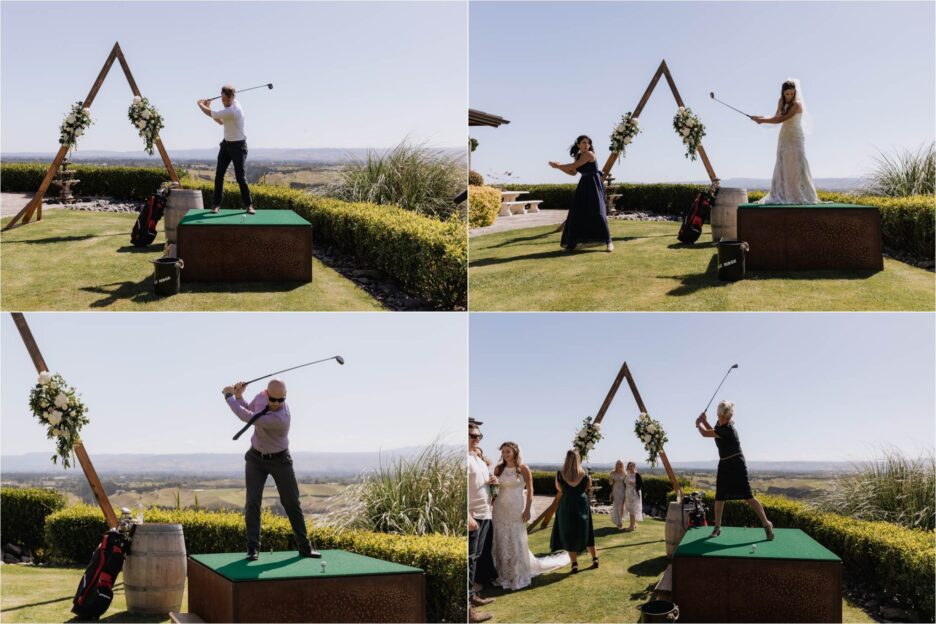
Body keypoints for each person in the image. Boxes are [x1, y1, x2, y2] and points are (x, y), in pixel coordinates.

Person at [222, 378, 318, 560]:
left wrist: (229, 397)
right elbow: (250, 409)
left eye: (280, 400)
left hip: (280, 459)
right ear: (266, 393)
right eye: (272, 399)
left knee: (291, 502)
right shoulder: (260, 397)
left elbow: (247, 417)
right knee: (252, 503)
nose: (275, 403)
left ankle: (305, 547)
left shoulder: (281, 418)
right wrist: (240, 397)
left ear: (285, 397)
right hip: (256, 458)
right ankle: (253, 549)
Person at [491, 442, 569, 590]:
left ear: (515, 452)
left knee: (516, 538)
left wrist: (527, 509)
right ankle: (503, 573)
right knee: (501, 538)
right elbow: (494, 489)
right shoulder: (498, 469)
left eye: (508, 451)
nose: (505, 454)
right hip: (499, 508)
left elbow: (531, 490)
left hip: (516, 507)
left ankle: (517, 573)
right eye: (503, 452)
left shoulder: (523, 468)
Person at [695, 400, 774, 540]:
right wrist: (705, 421)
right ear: (718, 414)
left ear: (729, 417)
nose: (723, 418)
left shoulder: (727, 429)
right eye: (721, 416)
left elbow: (705, 434)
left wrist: (698, 424)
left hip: (737, 465)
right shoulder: (721, 426)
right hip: (725, 464)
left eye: (725, 417)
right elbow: (712, 432)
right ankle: (717, 527)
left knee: (748, 496)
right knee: (719, 497)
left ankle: (767, 524)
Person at [752, 79, 819, 205]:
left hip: (795, 137)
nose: (789, 96)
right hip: (784, 137)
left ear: (795, 93)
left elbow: (781, 119)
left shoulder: (797, 105)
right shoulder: (781, 101)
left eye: (791, 94)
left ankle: (800, 194)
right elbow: (776, 116)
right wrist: (760, 118)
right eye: (787, 94)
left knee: (797, 164)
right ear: (783, 93)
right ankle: (782, 193)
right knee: (782, 163)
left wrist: (762, 121)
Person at [549, 135, 613, 252]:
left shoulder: (590, 154)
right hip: (583, 184)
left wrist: (558, 166)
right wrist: (559, 168)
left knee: (599, 212)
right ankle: (573, 244)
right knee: (577, 213)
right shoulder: (578, 156)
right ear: (578, 144)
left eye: (588, 143)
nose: (586, 145)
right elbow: (573, 172)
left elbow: (573, 166)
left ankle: (608, 242)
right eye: (583, 142)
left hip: (594, 184)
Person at [198, 85, 254, 214]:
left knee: (240, 177)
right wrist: (210, 106)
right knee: (219, 175)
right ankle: (216, 205)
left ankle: (249, 205)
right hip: (226, 144)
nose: (225, 102)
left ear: (233, 97)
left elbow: (212, 115)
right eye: (223, 99)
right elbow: (219, 121)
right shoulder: (232, 104)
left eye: (227, 100)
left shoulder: (233, 111)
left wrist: (201, 104)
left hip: (239, 146)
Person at [549, 449, 597, 574]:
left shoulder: (560, 474)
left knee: (568, 533)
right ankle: (595, 559)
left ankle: (574, 564)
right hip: (581, 505)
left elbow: (559, 488)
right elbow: (588, 488)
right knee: (586, 532)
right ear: (578, 459)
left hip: (566, 506)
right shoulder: (585, 475)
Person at [468, 419, 495, 623]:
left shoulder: (478, 458)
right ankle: (468, 610)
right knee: (468, 559)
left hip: (485, 513)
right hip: (473, 515)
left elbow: (480, 483)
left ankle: (472, 596)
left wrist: (492, 481)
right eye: (473, 436)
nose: (477, 439)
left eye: (479, 436)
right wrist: (466, 515)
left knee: (475, 558)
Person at [623, 461, 643, 532]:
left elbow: (640, 485)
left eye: (633, 466)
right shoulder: (627, 474)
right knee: (630, 509)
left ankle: (631, 527)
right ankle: (634, 524)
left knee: (633, 510)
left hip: (634, 494)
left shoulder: (637, 474)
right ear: (628, 467)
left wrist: (634, 484)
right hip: (628, 493)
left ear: (635, 467)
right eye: (630, 466)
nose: (631, 467)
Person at [609, 460, 627, 530]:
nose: (619, 465)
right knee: (616, 507)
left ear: (622, 465)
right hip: (615, 491)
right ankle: (618, 522)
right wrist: (610, 479)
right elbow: (611, 484)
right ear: (616, 465)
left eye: (620, 464)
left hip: (622, 491)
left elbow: (626, 485)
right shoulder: (612, 473)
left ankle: (620, 521)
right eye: (618, 464)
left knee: (621, 507)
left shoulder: (625, 473)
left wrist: (626, 494)